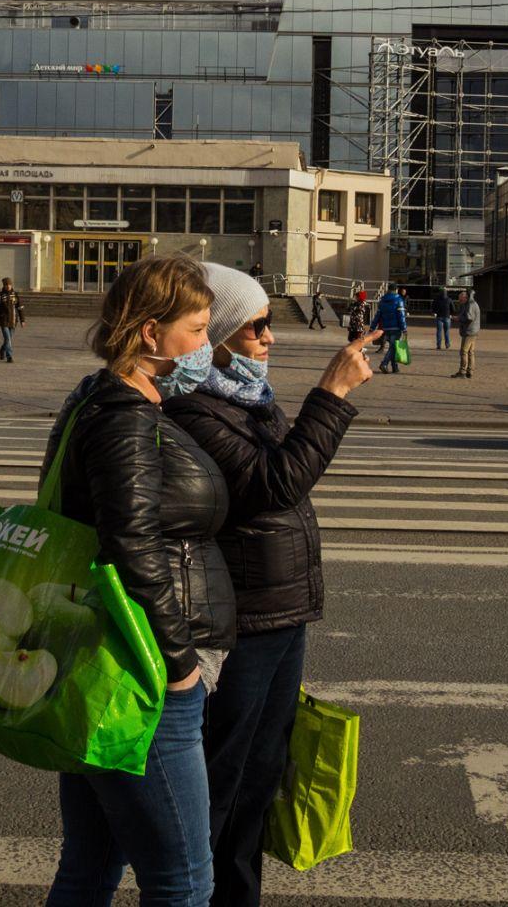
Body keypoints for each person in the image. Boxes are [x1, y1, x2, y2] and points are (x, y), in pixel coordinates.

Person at [165, 264, 377, 907]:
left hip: (283, 610)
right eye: (257, 326)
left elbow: (288, 476)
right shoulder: (196, 409)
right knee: (224, 780)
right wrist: (332, 395)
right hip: (244, 618)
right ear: (222, 334)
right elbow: (275, 484)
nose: (269, 338)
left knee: (260, 778)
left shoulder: (248, 395)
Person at [44, 254, 236, 907]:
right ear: (150, 333)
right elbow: (132, 547)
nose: (207, 346)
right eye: (197, 329)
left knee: (91, 867)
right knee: (184, 882)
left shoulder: (101, 400)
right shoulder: (125, 415)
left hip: (106, 663)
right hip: (143, 679)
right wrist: (180, 666)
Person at [373, 284, 408, 374]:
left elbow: (378, 315)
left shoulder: (383, 300)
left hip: (386, 327)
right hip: (396, 327)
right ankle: (384, 363)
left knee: (393, 347)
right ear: (396, 290)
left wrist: (372, 327)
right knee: (393, 347)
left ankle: (394, 367)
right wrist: (404, 328)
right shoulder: (398, 300)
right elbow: (401, 316)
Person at [0, 276, 25, 362]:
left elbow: (20, 308)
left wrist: (22, 320)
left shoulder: (15, 295)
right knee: (7, 339)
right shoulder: (0, 296)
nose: (8, 286)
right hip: (4, 321)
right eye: (6, 285)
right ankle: (9, 356)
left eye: (9, 284)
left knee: (8, 339)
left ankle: (2, 350)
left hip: (13, 320)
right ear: (4, 285)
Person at [452, 289, 481, 379]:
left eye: (460, 300)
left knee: (464, 351)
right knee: (470, 352)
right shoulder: (472, 303)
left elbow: (469, 317)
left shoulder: (470, 304)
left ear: (465, 298)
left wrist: (458, 318)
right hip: (474, 331)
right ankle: (470, 371)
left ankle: (463, 371)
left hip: (469, 331)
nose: (460, 302)